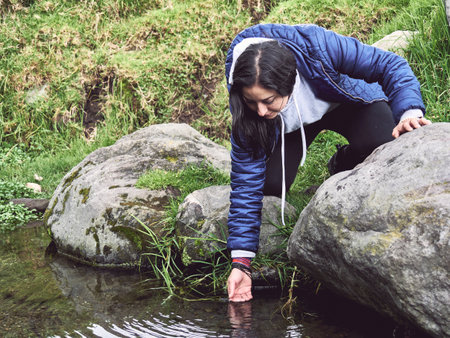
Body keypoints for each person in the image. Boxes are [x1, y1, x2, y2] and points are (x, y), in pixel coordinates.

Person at [224, 23, 431, 302]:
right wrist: (241, 263)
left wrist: (409, 111)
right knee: (269, 185)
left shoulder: (318, 45)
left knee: (383, 142)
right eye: (252, 102)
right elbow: (245, 182)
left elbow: (389, 64)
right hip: (290, 126)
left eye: (268, 100)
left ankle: (345, 160)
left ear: (289, 81)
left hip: (344, 102)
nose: (260, 111)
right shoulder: (247, 100)